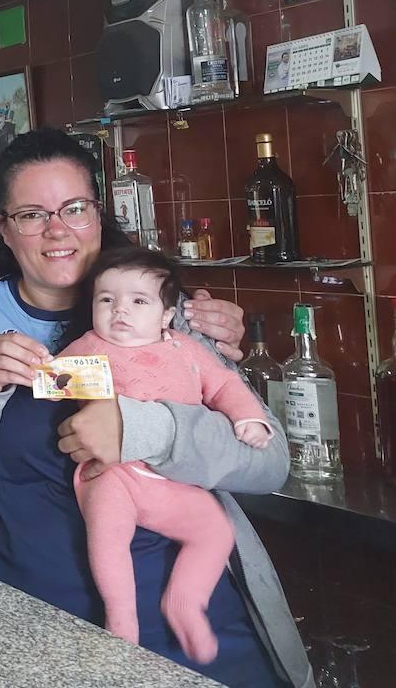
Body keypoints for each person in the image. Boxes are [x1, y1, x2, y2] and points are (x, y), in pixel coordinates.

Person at [0, 128, 310, 687]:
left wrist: (145, 429)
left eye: (75, 207)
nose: (57, 229)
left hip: (191, 620)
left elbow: (269, 462)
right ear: (4, 228)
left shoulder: (161, 310)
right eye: (31, 214)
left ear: (99, 212)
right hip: (34, 628)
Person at [56, 246, 272, 664]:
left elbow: (225, 386)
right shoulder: (90, 346)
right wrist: (25, 366)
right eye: (106, 300)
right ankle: (121, 619)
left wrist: (248, 419)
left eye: (138, 301)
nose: (120, 311)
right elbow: (51, 379)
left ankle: (186, 602)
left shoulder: (187, 350)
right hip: (111, 474)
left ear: (167, 314)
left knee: (214, 530)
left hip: (170, 480)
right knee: (107, 534)